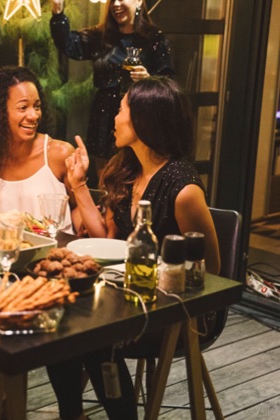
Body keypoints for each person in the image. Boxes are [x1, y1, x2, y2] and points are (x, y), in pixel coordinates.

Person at [47, 77, 221, 420]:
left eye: (121, 109)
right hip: (123, 295)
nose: (114, 117)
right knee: (58, 322)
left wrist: (138, 305)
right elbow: (108, 241)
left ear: (143, 119)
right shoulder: (127, 168)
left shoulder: (182, 188)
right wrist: (78, 185)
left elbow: (210, 270)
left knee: (94, 337)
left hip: (179, 308)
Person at [50, 0, 174, 184]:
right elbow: (68, 44)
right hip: (104, 114)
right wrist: (58, 13)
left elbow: (169, 84)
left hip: (138, 115)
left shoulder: (154, 38)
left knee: (137, 175)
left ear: (138, 1)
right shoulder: (101, 37)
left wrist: (149, 79)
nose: (116, 4)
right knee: (105, 178)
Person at [0, 64, 80, 233]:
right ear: (0, 112)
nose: (34, 116)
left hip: (52, 255)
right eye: (23, 107)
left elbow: (79, 209)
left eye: (37, 106)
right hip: (0, 255)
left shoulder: (59, 154)